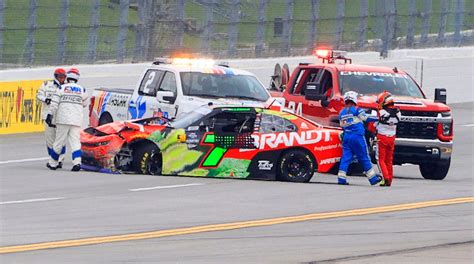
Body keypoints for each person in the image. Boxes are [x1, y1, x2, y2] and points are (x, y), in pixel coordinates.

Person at [337, 91, 383, 186]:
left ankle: (341, 178)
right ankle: (373, 178)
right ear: (354, 99)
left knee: (345, 158)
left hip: (346, 137)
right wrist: (378, 118)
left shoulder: (342, 112)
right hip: (357, 137)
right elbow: (365, 118)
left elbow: (341, 125)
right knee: (364, 156)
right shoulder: (357, 109)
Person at [47, 68, 88, 171]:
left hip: (63, 119)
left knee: (59, 142)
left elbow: (54, 104)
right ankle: (77, 163)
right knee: (75, 142)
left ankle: (52, 163)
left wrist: (49, 115)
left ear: (67, 77)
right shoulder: (82, 89)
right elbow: (84, 103)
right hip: (76, 120)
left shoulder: (61, 88)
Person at [37, 68, 67, 168]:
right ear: (56, 76)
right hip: (47, 116)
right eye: (60, 76)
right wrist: (46, 99)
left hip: (61, 117)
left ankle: (60, 160)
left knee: (61, 140)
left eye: (64, 76)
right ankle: (52, 158)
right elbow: (39, 95)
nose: (62, 78)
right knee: (50, 140)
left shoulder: (67, 87)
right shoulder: (46, 84)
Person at [375, 91, 401, 187]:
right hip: (392, 138)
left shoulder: (381, 112)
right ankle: (389, 180)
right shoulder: (398, 112)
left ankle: (385, 178)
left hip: (382, 138)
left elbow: (373, 124)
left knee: (380, 159)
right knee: (389, 160)